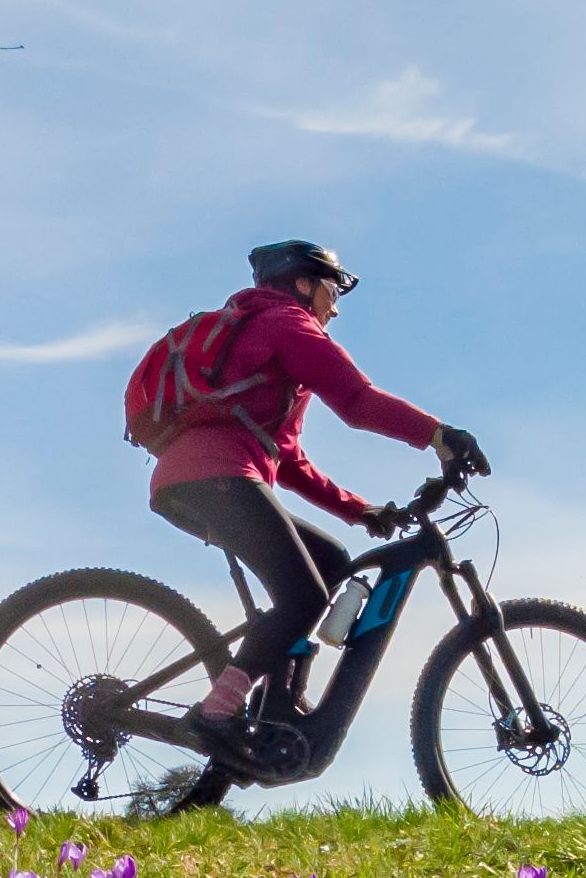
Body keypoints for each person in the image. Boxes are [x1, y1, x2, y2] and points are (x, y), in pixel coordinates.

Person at [146, 239, 489, 729]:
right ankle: (216, 714)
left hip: (194, 479)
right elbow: (357, 401)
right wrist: (439, 435)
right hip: (219, 476)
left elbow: (286, 459)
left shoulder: (257, 335)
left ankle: (277, 704)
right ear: (303, 284)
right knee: (304, 594)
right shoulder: (287, 324)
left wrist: (360, 510)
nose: (335, 306)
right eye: (332, 290)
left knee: (328, 563)